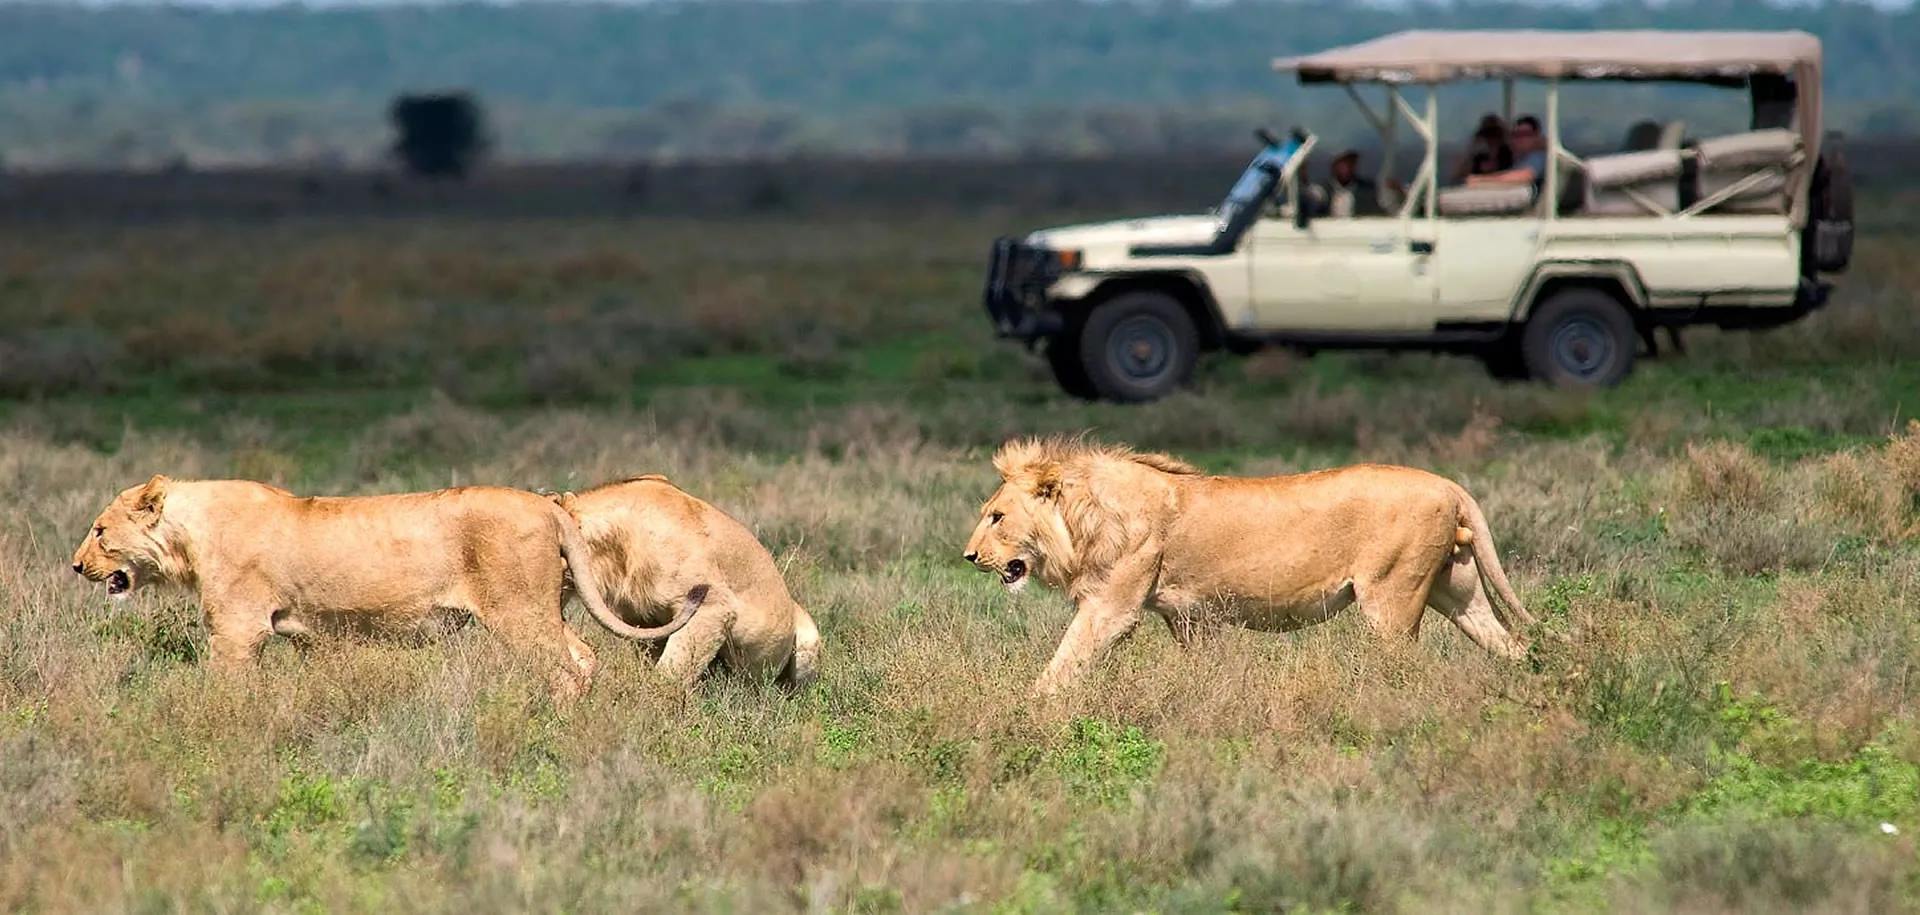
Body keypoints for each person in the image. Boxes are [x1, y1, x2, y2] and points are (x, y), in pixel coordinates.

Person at [1466, 114, 1546, 192]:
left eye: (1525, 134)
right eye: (1516, 135)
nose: (1520, 139)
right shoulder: (1515, 160)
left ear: (1537, 137)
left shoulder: (1538, 156)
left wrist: (1481, 180)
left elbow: (1526, 175)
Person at [1315, 148, 1384, 217]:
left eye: (1351, 163)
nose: (1347, 168)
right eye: (1343, 164)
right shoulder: (1321, 190)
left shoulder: (1368, 189)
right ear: (1334, 166)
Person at [1451, 113, 1513, 182]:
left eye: (1495, 134)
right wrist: (1472, 147)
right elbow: (1457, 177)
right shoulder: (1479, 158)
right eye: (1487, 134)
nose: (1492, 138)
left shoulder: (1508, 155)